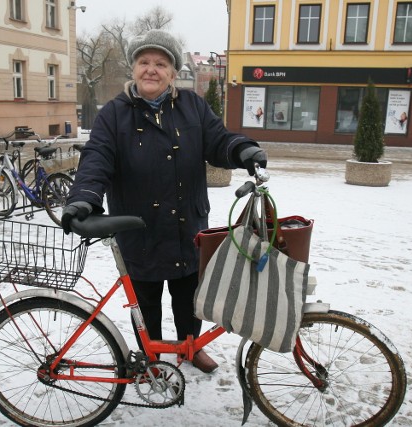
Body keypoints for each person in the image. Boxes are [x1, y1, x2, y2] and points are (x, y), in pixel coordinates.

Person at [61, 29, 267, 374]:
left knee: (190, 299)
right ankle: (151, 355)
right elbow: (96, 157)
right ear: (133, 69)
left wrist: (241, 149)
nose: (151, 70)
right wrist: (84, 198)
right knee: (146, 304)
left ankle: (190, 348)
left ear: (173, 73)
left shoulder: (192, 106)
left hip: (188, 226)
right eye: (144, 62)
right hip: (140, 229)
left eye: (160, 63)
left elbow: (218, 141)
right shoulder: (114, 114)